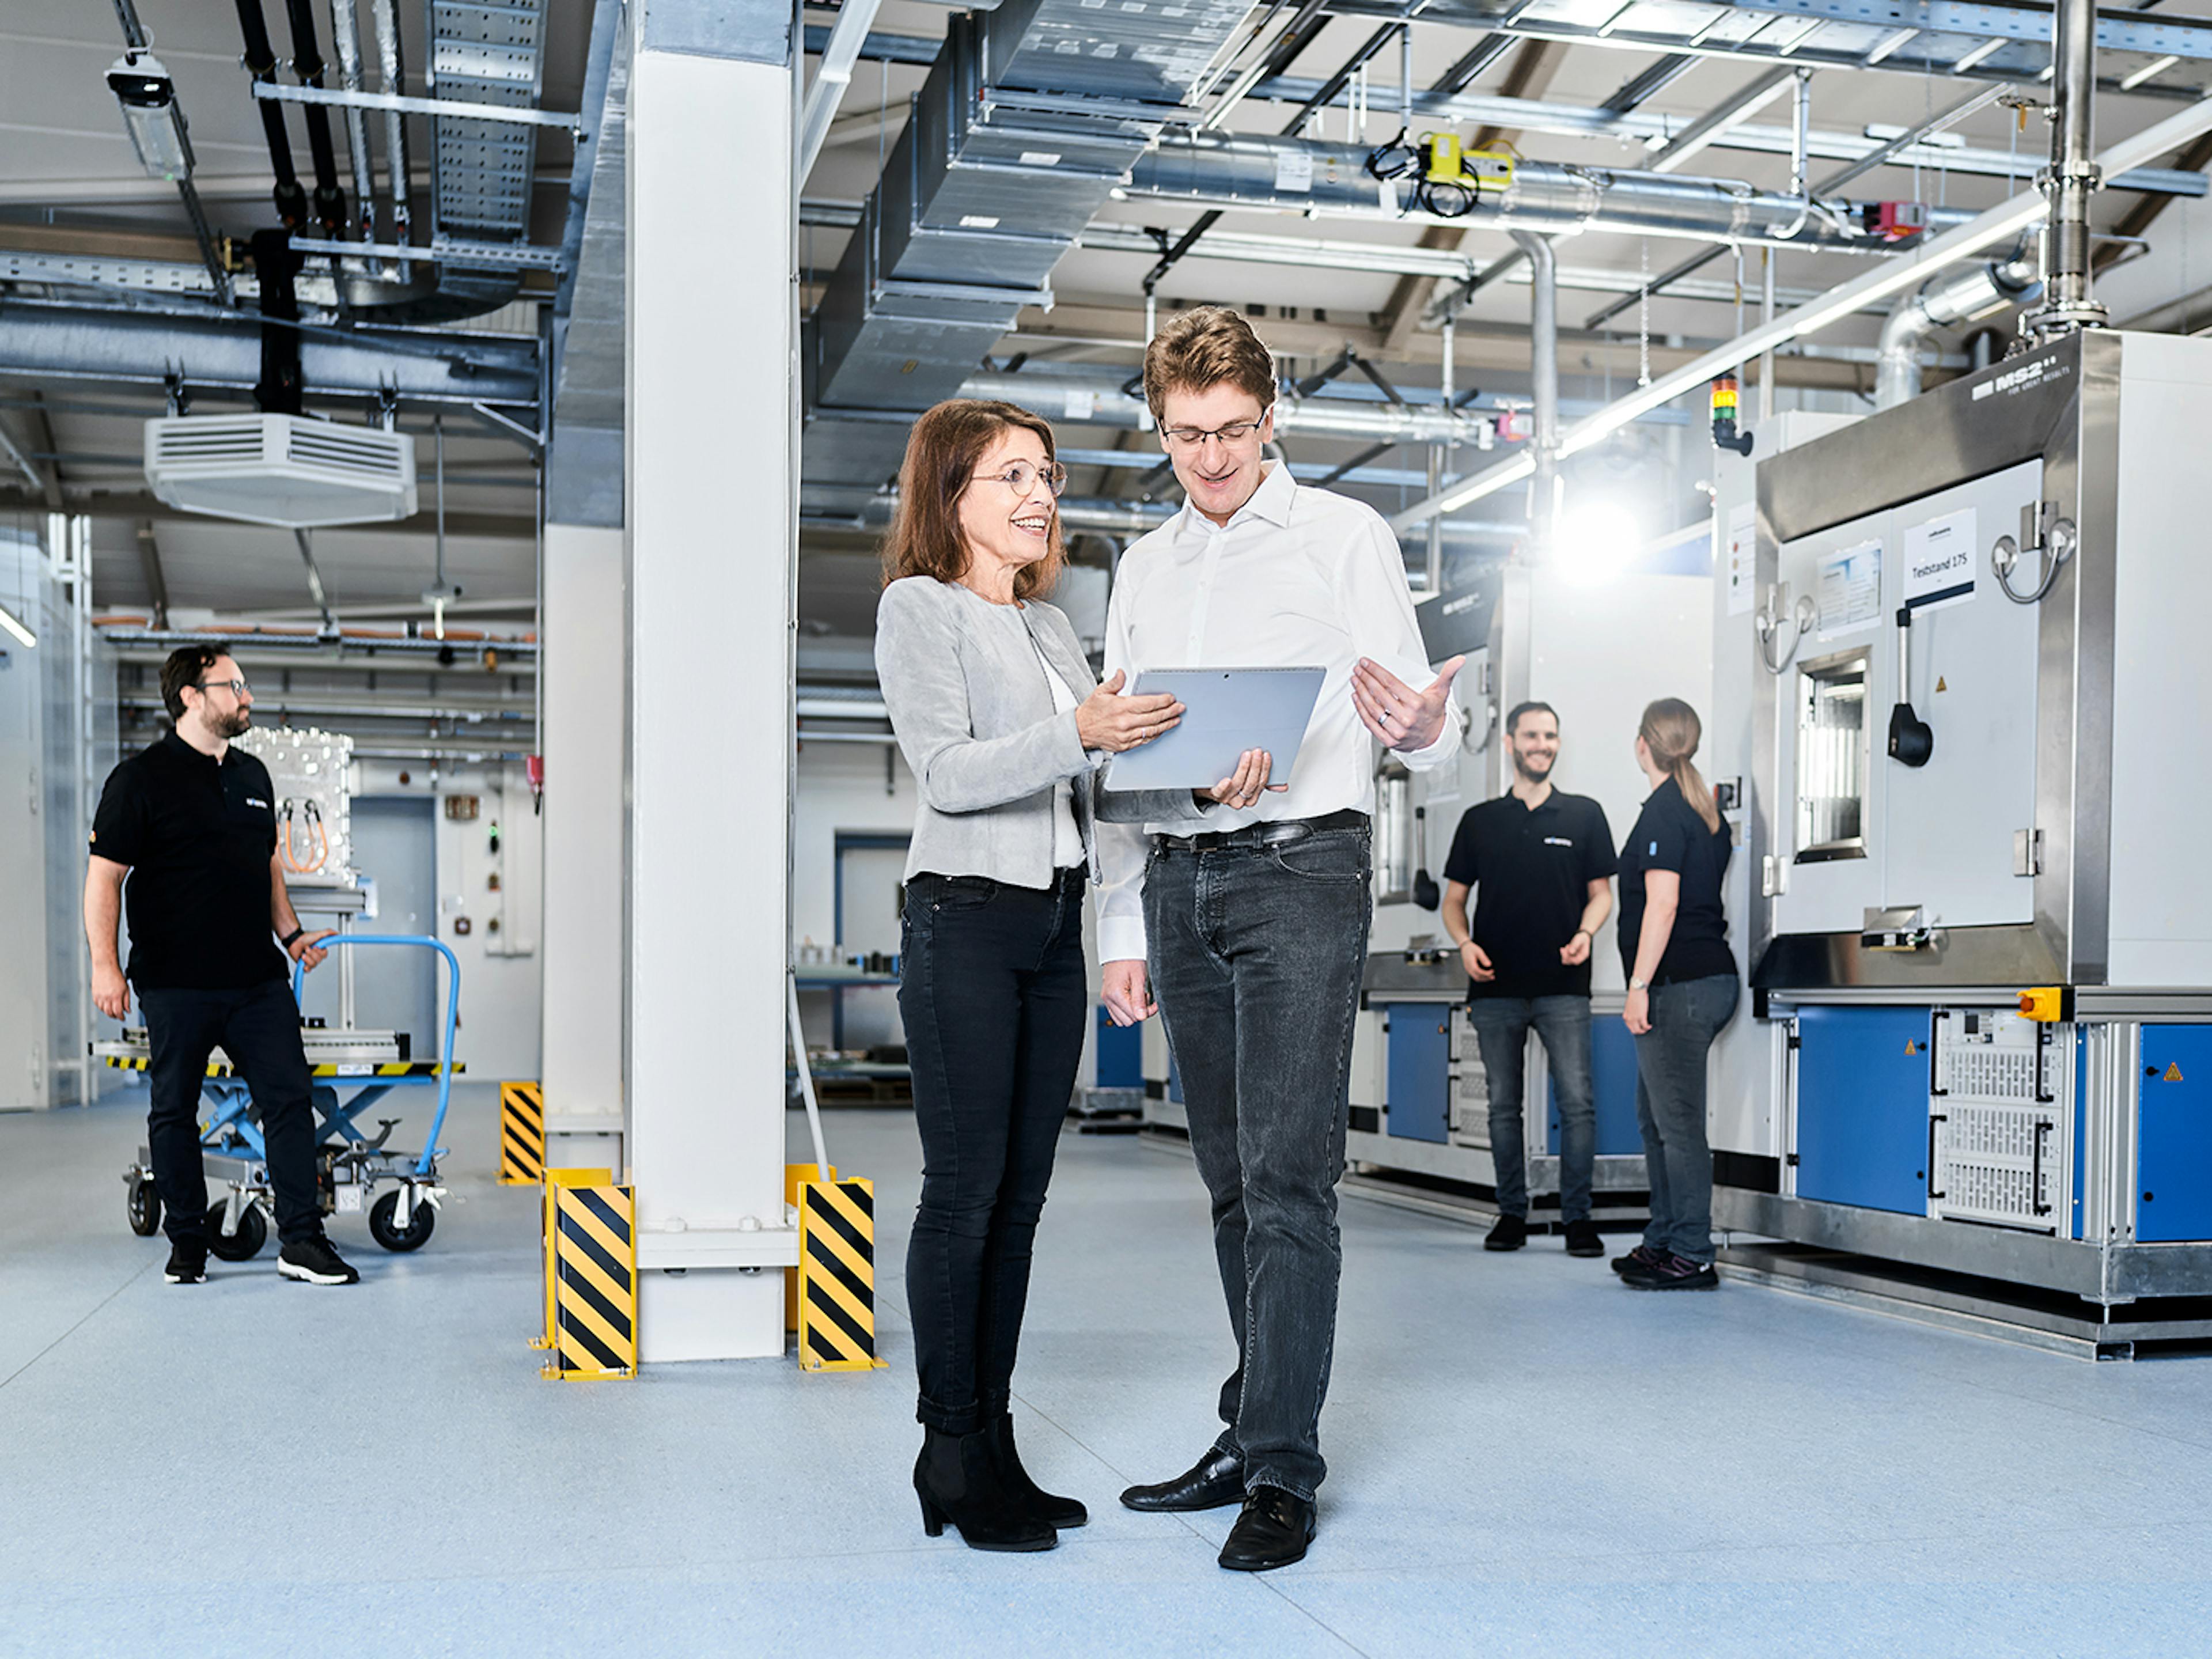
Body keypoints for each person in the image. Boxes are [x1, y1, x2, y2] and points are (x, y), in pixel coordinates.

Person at [1097, 307, 1464, 1573]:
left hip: (1303, 870)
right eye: (1187, 435)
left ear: (1273, 418)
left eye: (1234, 432)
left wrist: (1420, 727)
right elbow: (1119, 758)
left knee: (1294, 1175)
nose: (1210, 459)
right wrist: (1115, 926)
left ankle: (1282, 1475)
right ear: (1159, 426)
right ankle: (1253, 1425)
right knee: (1230, 1180)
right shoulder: (1142, 571)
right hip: (1179, 882)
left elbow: (1419, 723)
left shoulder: (1343, 539)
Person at [873, 397, 1271, 1554]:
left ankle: (990, 1444)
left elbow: (1100, 793)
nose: (1041, 494)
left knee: (1022, 1203)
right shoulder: (922, 610)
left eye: (1046, 474)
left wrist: (1196, 787)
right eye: (1012, 476)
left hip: (1049, 930)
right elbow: (948, 773)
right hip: (964, 919)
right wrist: (1083, 734)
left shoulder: (1053, 632)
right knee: (965, 1194)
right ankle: (949, 1447)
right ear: (952, 494)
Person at [84, 645, 359, 1287]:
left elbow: (267, 867)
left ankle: (302, 1241)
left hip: (256, 979)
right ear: (191, 695)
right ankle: (187, 1245)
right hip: (175, 980)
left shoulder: (253, 776)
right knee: (175, 1109)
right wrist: (105, 966)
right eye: (234, 685)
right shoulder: (139, 780)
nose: (247, 697)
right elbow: (105, 880)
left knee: (290, 1100)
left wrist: (289, 935)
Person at [1440, 701, 1616, 1257]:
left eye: (1551, 735)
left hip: (1564, 985)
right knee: (1502, 1107)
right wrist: (1464, 943)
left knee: (1579, 1104)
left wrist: (1587, 933)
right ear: (1511, 743)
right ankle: (1512, 1213)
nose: (1543, 744)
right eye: (1533, 735)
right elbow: (1453, 901)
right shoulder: (1481, 821)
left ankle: (1578, 1219)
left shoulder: (1585, 815)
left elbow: (1602, 895)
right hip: (1495, 987)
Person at [1612, 698, 1740, 1292]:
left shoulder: (1667, 812)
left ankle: (1692, 1251)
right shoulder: (1701, 808)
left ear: (1644, 744)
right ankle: (1663, 1238)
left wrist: (1637, 986)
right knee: (1656, 1117)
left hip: (1679, 985)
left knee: (1678, 1123)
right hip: (1698, 979)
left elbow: (1663, 906)